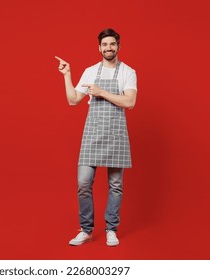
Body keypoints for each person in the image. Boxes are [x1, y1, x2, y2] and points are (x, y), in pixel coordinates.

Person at [55, 28, 137, 246]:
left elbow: (129, 102)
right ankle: (86, 229)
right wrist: (67, 75)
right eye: (104, 45)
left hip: (116, 133)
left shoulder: (128, 72)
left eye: (112, 44)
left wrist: (101, 92)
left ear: (118, 46)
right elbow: (73, 100)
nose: (108, 48)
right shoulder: (91, 71)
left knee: (116, 185)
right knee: (83, 183)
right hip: (93, 132)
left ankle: (111, 229)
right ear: (99, 48)